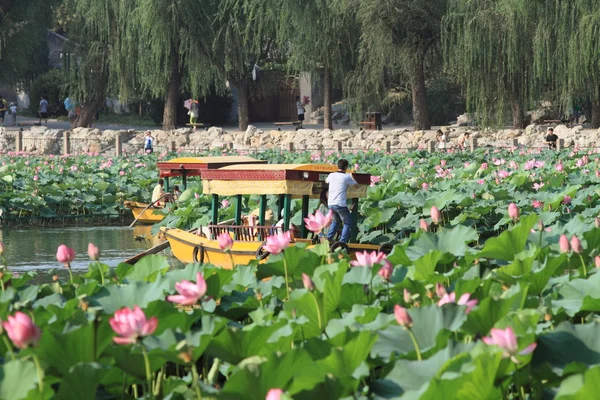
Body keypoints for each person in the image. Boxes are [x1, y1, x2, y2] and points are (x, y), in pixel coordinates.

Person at [326, 159, 357, 244]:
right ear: (346, 167)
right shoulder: (346, 177)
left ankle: (328, 239)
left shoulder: (331, 175)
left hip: (330, 203)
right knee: (347, 223)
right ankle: (342, 242)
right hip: (340, 204)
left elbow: (326, 181)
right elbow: (356, 186)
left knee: (336, 221)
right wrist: (352, 178)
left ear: (338, 166)